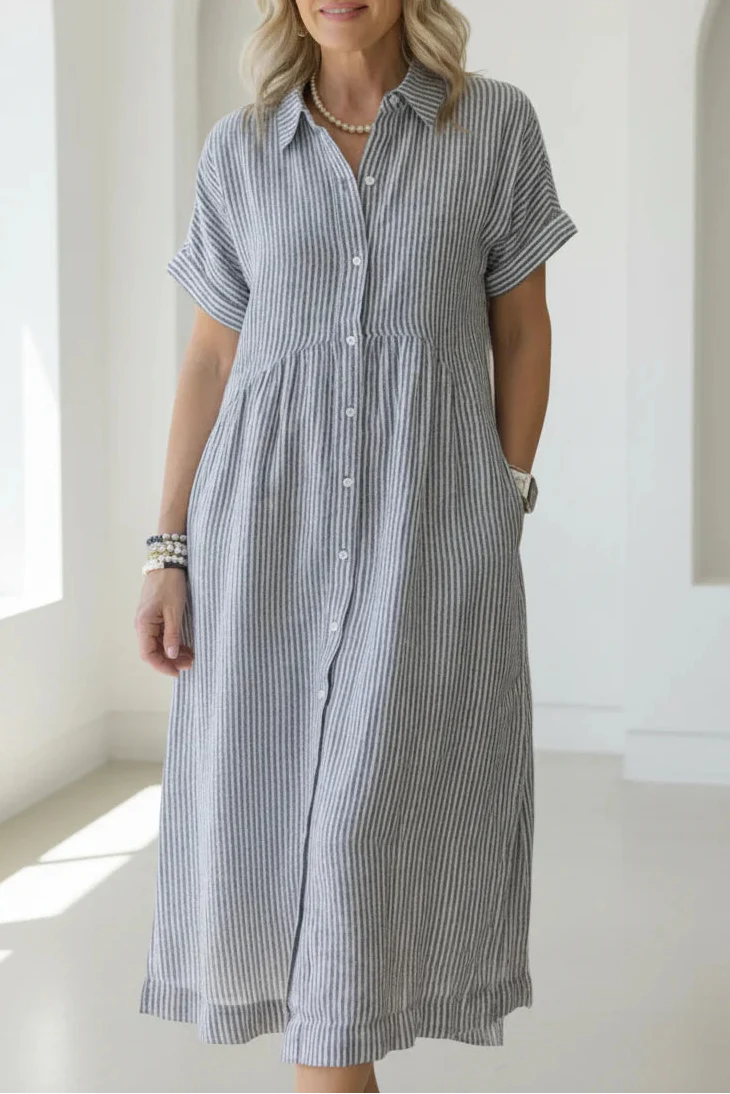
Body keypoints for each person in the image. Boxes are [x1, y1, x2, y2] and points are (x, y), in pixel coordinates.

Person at [134, 2, 578, 1092]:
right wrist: (168, 546)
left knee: (352, 841)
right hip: (262, 542)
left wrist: (503, 494)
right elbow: (210, 357)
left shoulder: (495, 127)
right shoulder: (240, 149)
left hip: (426, 539)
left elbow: (522, 326)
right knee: (280, 847)